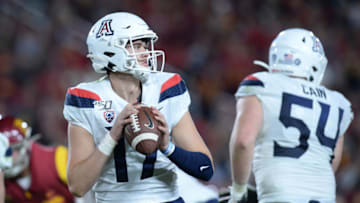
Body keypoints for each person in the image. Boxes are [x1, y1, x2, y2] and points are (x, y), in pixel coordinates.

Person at [63, 12, 214, 203]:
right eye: (136, 46)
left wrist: (168, 147)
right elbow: (77, 186)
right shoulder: (86, 99)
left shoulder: (166, 87)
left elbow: (205, 169)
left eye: (144, 45)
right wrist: (112, 137)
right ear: (109, 51)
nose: (145, 52)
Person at [228, 28, 354, 203]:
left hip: (279, 194)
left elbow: (243, 141)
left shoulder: (262, 84)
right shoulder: (339, 103)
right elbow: (330, 161)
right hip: (324, 196)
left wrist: (239, 190)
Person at [0, 115, 75, 203]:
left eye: (12, 150)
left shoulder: (57, 159)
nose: (5, 157)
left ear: (26, 144)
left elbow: (87, 192)